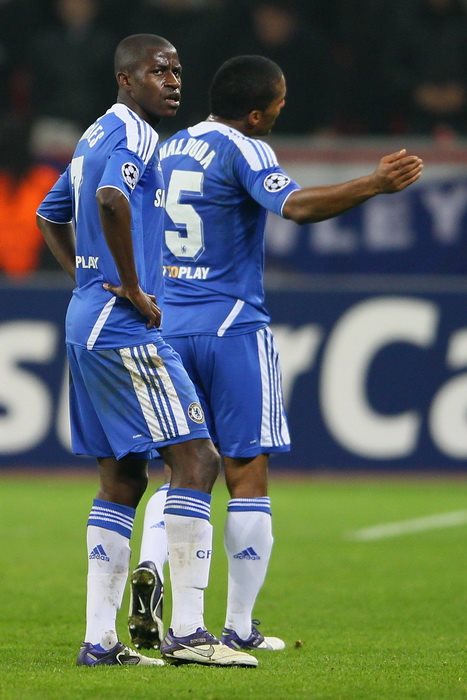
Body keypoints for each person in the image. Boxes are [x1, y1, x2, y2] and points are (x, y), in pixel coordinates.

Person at [128, 55, 424, 653]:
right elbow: (297, 207)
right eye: (280, 104)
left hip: (167, 324)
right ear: (256, 114)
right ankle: (238, 625)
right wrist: (374, 184)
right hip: (233, 327)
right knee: (246, 474)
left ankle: (153, 564)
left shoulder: (170, 147)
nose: (283, 110)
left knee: (184, 467)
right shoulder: (246, 148)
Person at [36, 34, 257, 669]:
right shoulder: (134, 135)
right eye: (159, 71)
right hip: (123, 326)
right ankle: (188, 633)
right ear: (126, 79)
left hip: (88, 320)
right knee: (197, 459)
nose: (173, 81)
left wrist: (85, 281)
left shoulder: (93, 135)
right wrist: (130, 286)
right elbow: (111, 199)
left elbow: (50, 213)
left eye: (178, 71)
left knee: (123, 478)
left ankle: (100, 641)